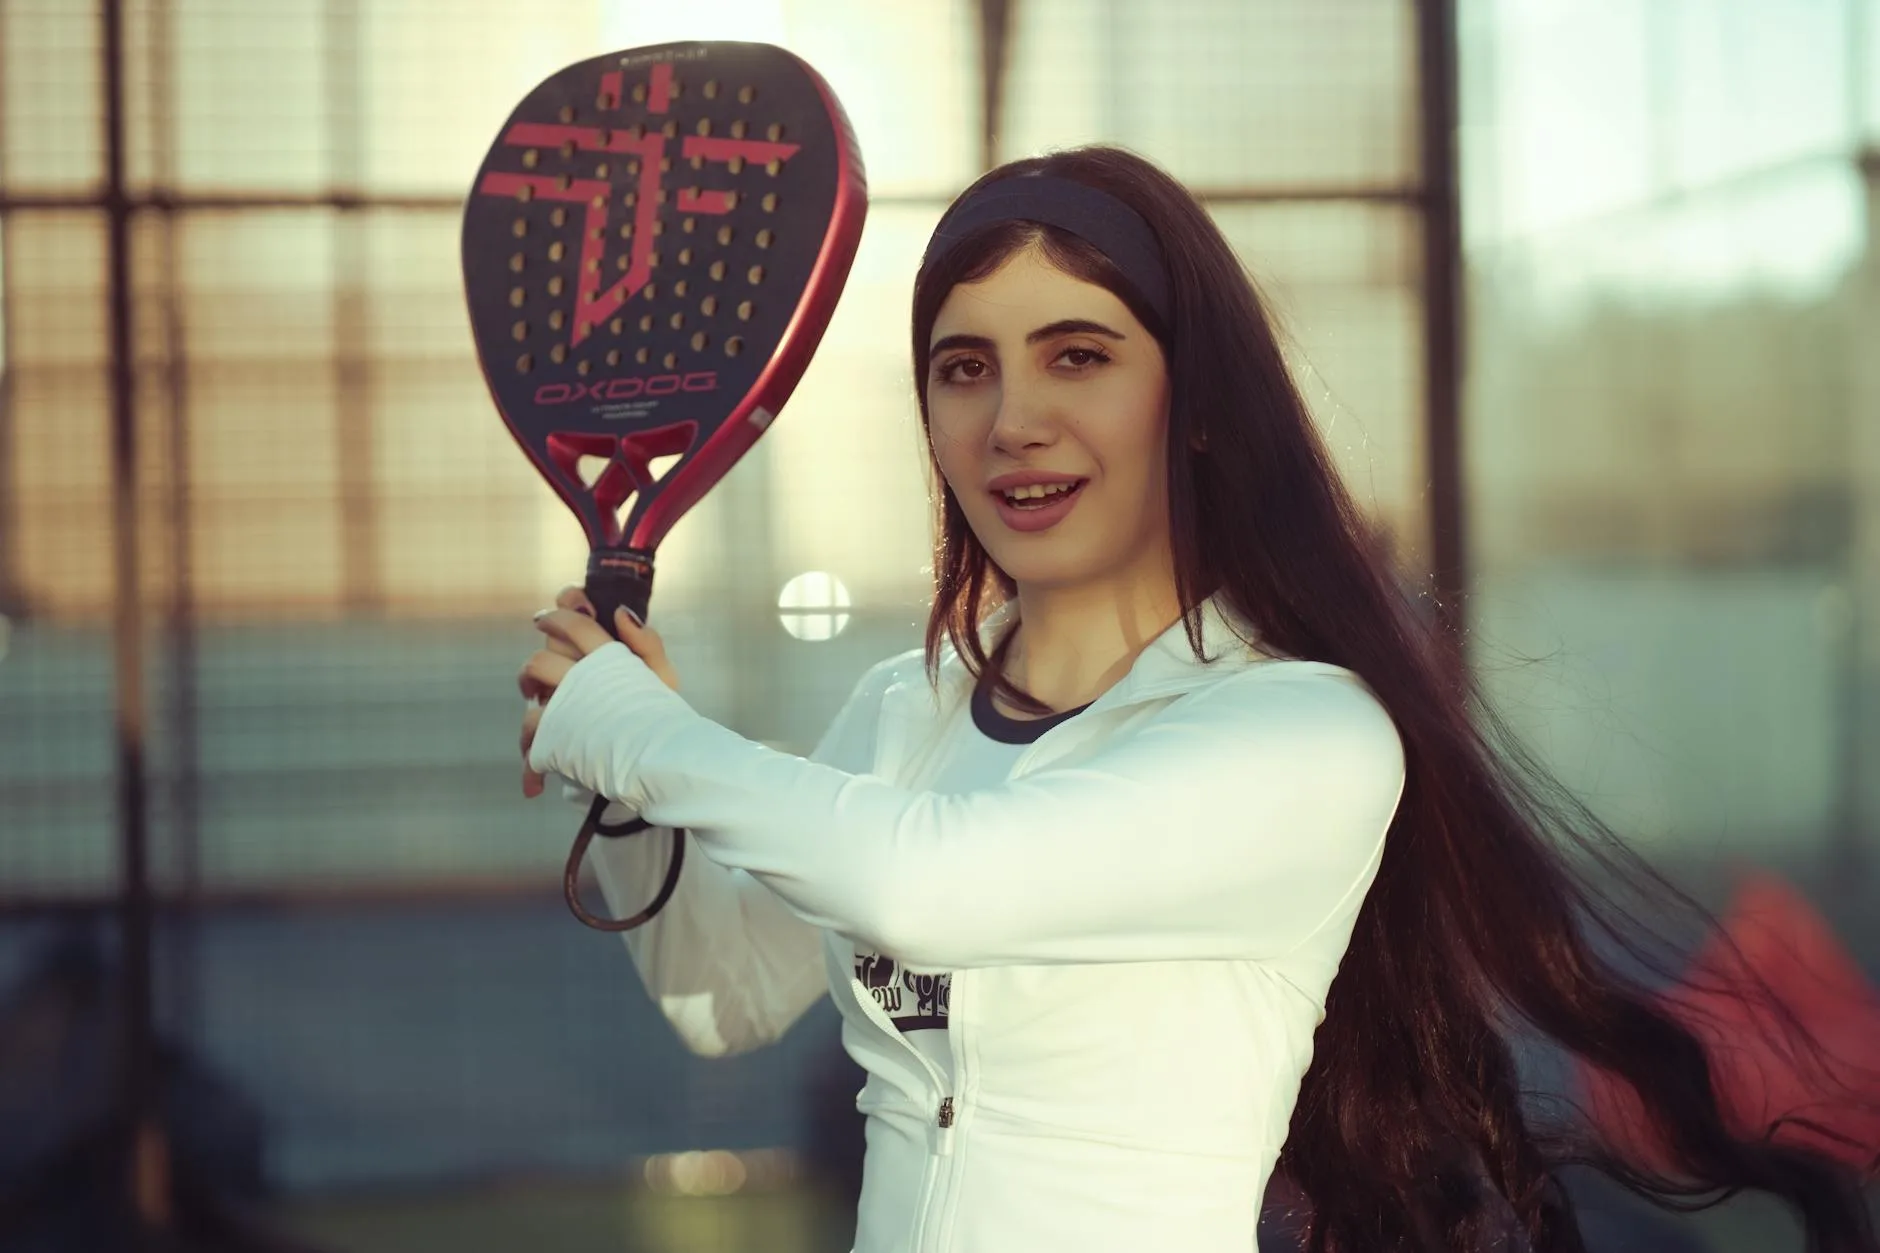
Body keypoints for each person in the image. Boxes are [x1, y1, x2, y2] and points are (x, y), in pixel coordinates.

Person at [515, 146, 1878, 1252]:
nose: (1014, 423)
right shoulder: (904, 702)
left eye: (1080, 356)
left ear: (1199, 404)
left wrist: (636, 730)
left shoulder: (1304, 734)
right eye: (964, 367)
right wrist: (628, 792)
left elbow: (933, 887)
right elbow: (721, 995)